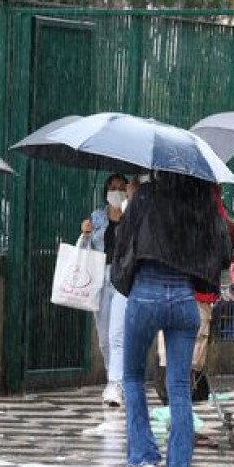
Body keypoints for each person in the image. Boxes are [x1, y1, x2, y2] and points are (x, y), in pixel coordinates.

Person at [110, 172, 231, 467]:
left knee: (133, 377)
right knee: (180, 387)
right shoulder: (201, 201)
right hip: (183, 299)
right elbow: (223, 252)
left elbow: (123, 244)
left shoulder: (146, 196)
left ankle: (142, 459)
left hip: (145, 292)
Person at [82, 173, 131, 407]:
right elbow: (85, 249)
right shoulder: (97, 217)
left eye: (121, 187)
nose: (116, 191)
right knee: (103, 338)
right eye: (112, 187)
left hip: (122, 279)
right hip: (100, 277)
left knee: (117, 334)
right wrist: (85, 233)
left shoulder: (132, 217)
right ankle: (114, 379)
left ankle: (115, 383)